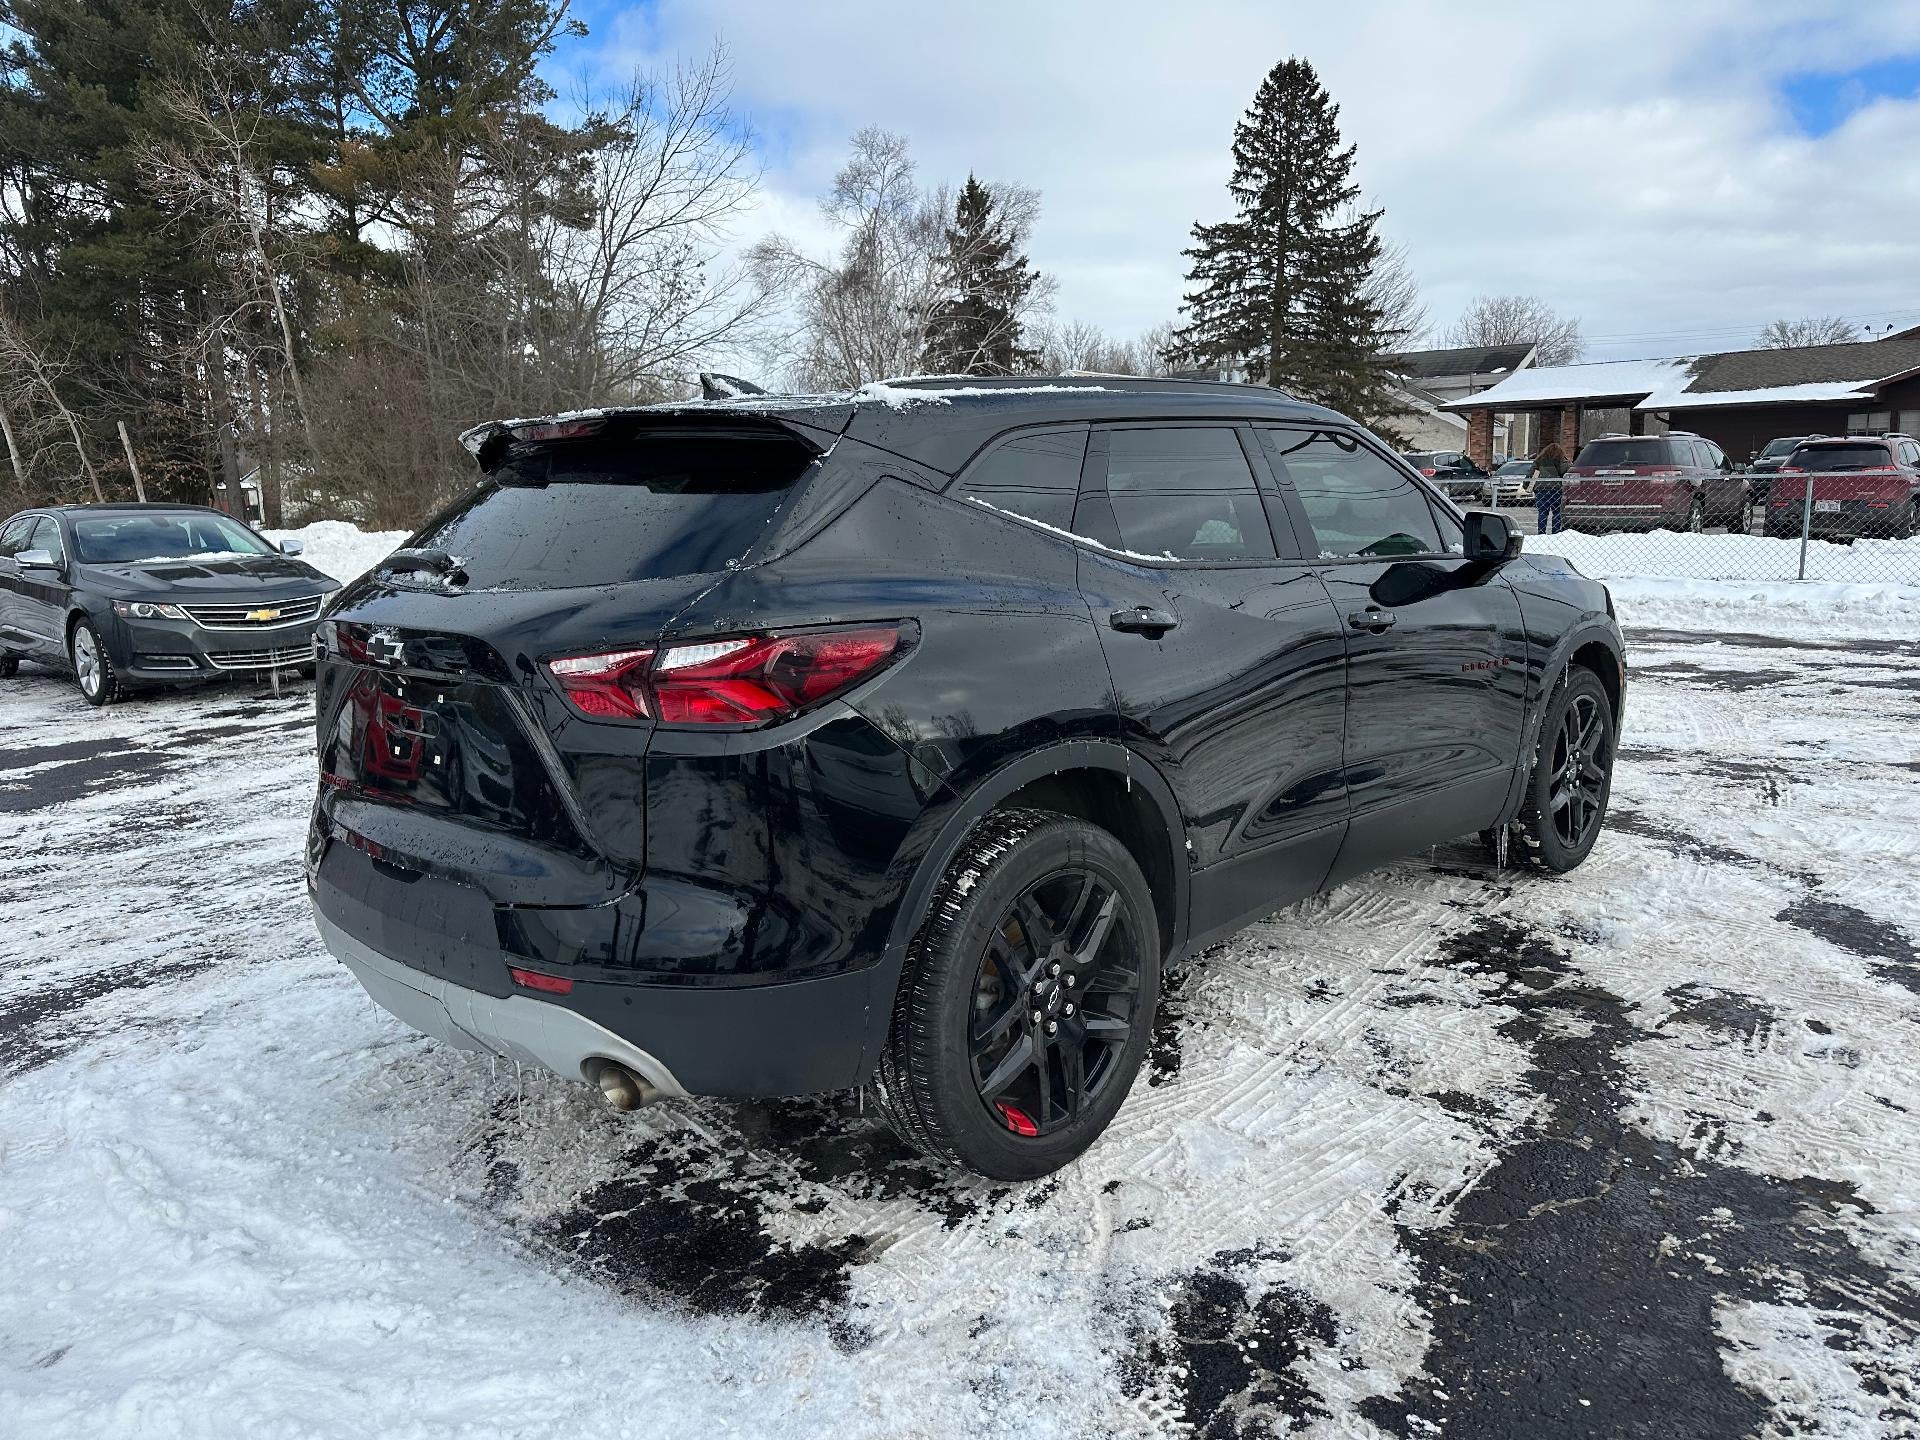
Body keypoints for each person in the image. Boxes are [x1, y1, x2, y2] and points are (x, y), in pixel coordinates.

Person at [1532, 440, 1569, 534]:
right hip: (1556, 490)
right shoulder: (1561, 459)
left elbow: (1532, 474)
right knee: (1557, 512)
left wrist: (1528, 487)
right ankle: (1556, 533)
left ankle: (1541, 533)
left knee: (1542, 513)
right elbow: (1566, 472)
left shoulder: (1539, 460)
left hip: (1541, 489)